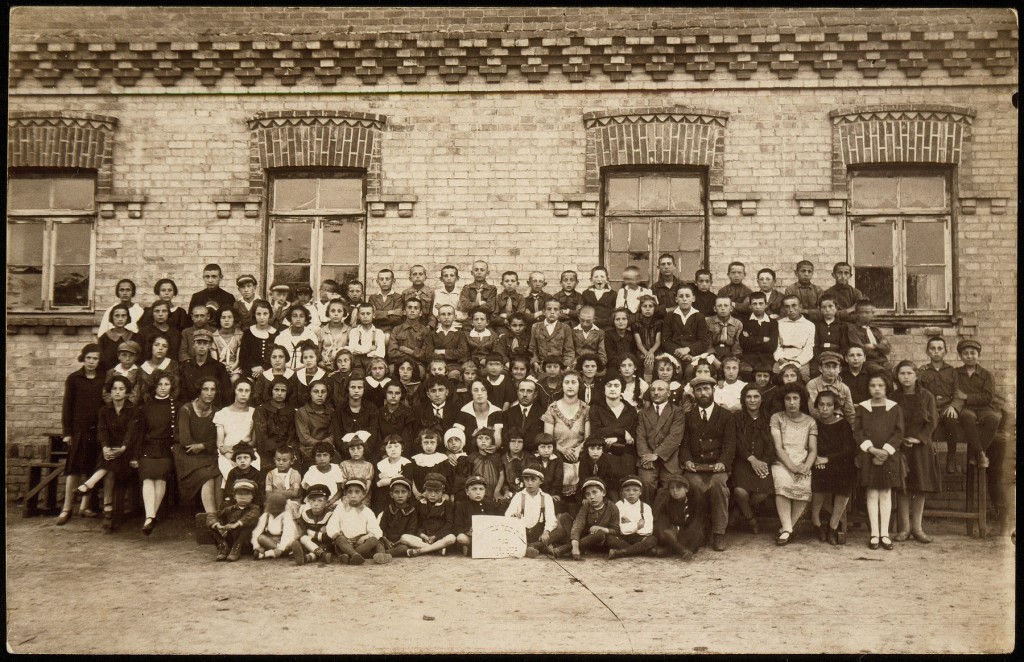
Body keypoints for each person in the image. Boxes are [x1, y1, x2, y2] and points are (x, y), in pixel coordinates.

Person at [680, 375, 735, 552]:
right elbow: (685, 444)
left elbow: (730, 444)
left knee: (718, 485)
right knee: (694, 486)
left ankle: (719, 532)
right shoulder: (688, 416)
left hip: (717, 466)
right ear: (694, 393)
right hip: (696, 465)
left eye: (706, 389)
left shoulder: (726, 415)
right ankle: (701, 530)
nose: (703, 393)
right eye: (698, 390)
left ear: (713, 390)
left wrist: (722, 462)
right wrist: (687, 460)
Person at [80, 374, 139, 533]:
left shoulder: (133, 410)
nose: (118, 392)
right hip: (110, 453)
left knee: (110, 467)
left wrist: (123, 448)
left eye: (121, 389)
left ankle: (91, 486)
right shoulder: (104, 411)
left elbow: (131, 433)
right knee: (110, 471)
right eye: (114, 389)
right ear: (110, 392)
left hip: (127, 453)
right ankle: (107, 512)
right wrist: (105, 447)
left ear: (127, 392)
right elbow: (102, 431)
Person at [891, 361, 941, 543]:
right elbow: (890, 421)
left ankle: (918, 529)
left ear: (916, 375)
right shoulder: (893, 397)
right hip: (900, 447)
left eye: (909, 373)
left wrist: (918, 438)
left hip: (921, 447)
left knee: (920, 487)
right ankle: (904, 528)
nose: (906, 377)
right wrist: (901, 440)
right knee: (903, 488)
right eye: (902, 373)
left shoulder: (926, 396)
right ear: (897, 376)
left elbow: (933, 421)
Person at [855, 374, 905, 550]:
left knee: (885, 493)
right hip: (869, 456)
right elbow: (858, 432)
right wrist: (872, 450)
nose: (876, 389)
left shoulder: (894, 408)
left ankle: (885, 534)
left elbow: (899, 433)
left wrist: (885, 451)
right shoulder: (863, 408)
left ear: (886, 388)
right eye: (873, 385)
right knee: (871, 493)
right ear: (868, 388)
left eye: (880, 386)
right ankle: (874, 534)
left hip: (889, 457)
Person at [770, 383, 818, 546]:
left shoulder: (810, 421)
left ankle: (786, 527)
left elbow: (812, 449)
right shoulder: (776, 418)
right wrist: (791, 467)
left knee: (804, 488)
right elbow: (778, 447)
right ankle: (789, 529)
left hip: (803, 462)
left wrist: (806, 466)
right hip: (783, 462)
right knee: (782, 484)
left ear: (801, 400)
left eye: (795, 398)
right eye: (788, 398)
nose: (791, 402)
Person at [809, 391, 858, 545]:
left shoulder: (843, 424)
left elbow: (848, 449)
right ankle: (816, 521)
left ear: (834, 407)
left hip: (839, 462)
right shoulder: (814, 424)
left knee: (845, 478)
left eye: (829, 405)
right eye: (821, 405)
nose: (824, 408)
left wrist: (828, 459)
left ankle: (833, 525)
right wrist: (818, 458)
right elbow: (812, 445)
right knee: (819, 475)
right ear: (816, 407)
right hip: (819, 462)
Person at [134, 370, 179, 535]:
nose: (163, 387)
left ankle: (150, 517)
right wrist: (136, 455)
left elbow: (178, 431)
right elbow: (139, 432)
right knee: (147, 479)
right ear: (154, 386)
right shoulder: (146, 406)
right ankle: (151, 517)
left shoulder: (175, 406)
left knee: (160, 479)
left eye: (166, 384)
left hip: (166, 448)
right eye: (160, 384)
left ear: (171, 386)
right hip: (147, 447)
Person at [173, 376, 222, 518]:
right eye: (205, 389)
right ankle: (211, 517)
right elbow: (185, 440)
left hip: (206, 453)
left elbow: (217, 439)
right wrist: (204, 446)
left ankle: (220, 515)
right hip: (187, 455)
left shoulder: (217, 411)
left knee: (219, 475)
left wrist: (203, 445)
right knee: (206, 476)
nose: (209, 393)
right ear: (199, 391)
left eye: (213, 389)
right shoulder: (186, 410)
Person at [730, 383, 774, 535]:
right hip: (743, 461)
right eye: (748, 397)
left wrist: (763, 462)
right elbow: (736, 441)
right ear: (743, 399)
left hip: (763, 462)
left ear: (762, 399)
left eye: (756, 396)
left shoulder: (769, 418)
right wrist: (751, 459)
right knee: (740, 491)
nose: (752, 400)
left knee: (765, 490)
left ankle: (738, 509)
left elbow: (772, 444)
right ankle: (751, 519)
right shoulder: (736, 418)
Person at [951, 339, 999, 471]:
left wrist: (967, 397)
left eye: (973, 353)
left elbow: (988, 397)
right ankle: (981, 454)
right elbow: (956, 393)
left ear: (979, 355)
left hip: (984, 408)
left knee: (994, 419)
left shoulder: (986, 375)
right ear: (960, 356)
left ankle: (976, 454)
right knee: (967, 418)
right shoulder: (956, 373)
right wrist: (964, 399)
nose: (969, 356)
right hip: (966, 408)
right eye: (965, 353)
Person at [541, 371, 591, 501]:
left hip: (580, 455)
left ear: (579, 385)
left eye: (573, 382)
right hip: (558, 456)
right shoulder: (552, 408)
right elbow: (547, 438)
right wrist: (563, 450)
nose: (570, 386)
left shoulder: (586, 409)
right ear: (561, 385)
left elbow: (588, 438)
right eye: (566, 382)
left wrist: (578, 449)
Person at [918, 336, 962, 473]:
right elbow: (919, 393)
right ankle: (928, 460)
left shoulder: (953, 371)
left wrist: (954, 406)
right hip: (929, 407)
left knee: (951, 419)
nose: (936, 351)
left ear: (945, 352)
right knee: (925, 423)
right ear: (927, 352)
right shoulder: (922, 371)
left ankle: (951, 458)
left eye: (940, 348)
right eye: (933, 348)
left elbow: (958, 392)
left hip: (946, 406)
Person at [635, 379, 686, 500]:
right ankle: (647, 516)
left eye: (660, 389)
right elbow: (640, 436)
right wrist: (646, 456)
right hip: (648, 459)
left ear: (668, 393)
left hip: (669, 459)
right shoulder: (643, 413)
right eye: (653, 389)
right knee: (646, 483)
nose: (656, 393)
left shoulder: (677, 411)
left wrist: (657, 454)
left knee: (670, 486)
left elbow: (675, 436)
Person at [588, 374, 640, 487]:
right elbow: (596, 432)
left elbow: (632, 438)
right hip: (605, 453)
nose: (612, 388)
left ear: (622, 388)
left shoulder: (630, 410)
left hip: (626, 455)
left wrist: (616, 437)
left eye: (616, 385)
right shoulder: (596, 408)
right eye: (609, 385)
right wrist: (622, 432)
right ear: (604, 388)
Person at [550, 477, 619, 560]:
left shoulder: (612, 507)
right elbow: (578, 525)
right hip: (585, 538)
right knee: (564, 517)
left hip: (599, 541)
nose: (591, 497)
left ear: (603, 493)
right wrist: (575, 547)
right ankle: (577, 548)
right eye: (588, 494)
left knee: (600, 533)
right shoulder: (586, 506)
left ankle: (565, 548)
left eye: (594, 492)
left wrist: (601, 528)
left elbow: (616, 530)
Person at [506, 465, 564, 558]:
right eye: (526, 480)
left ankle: (535, 546)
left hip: (539, 534)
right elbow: (507, 515)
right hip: (522, 534)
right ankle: (540, 546)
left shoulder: (546, 497)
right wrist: (513, 515)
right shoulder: (518, 496)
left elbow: (551, 519)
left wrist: (546, 531)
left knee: (560, 530)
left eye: (533, 480)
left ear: (540, 481)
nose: (529, 483)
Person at [326, 479, 388, 565]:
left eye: (357, 492)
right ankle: (354, 554)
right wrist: (337, 534)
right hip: (345, 541)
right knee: (339, 540)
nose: (353, 495)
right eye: (350, 492)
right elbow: (332, 525)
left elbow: (375, 529)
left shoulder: (367, 511)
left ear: (363, 494)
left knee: (373, 540)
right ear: (345, 494)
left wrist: (366, 536)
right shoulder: (340, 509)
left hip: (361, 543)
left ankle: (351, 555)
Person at [651, 473, 707, 559]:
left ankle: (671, 550)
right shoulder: (667, 501)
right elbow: (660, 519)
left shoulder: (694, 502)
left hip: (687, 531)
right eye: (672, 488)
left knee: (697, 534)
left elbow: (697, 522)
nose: (675, 491)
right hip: (672, 531)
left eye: (678, 487)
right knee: (664, 532)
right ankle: (682, 550)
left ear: (686, 489)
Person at [213, 377, 258, 483]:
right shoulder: (222, 413)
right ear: (234, 391)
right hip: (226, 454)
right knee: (231, 476)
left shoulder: (255, 412)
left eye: (247, 391)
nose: (243, 394)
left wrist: (237, 451)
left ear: (251, 393)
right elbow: (220, 443)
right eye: (240, 390)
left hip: (248, 453)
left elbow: (253, 442)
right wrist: (229, 456)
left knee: (251, 476)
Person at [662, 284, 709, 378]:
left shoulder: (699, 317)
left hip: (692, 354)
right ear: (676, 299)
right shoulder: (670, 316)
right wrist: (678, 352)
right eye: (681, 296)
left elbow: (703, 341)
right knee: (674, 370)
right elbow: (665, 340)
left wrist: (688, 349)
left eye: (687, 296)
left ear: (693, 298)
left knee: (691, 371)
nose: (684, 299)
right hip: (675, 353)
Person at [406, 472, 457, 557]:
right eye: (429, 491)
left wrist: (436, 536)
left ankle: (421, 551)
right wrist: (422, 535)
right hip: (423, 538)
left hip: (440, 538)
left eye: (437, 491)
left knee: (452, 538)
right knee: (404, 537)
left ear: (442, 491)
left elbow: (449, 524)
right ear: (425, 490)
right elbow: (415, 523)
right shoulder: (419, 504)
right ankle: (437, 549)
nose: (433, 495)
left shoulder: (447, 504)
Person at [209, 477, 260, 562]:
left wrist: (237, 524)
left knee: (247, 526)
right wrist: (218, 525)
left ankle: (236, 549)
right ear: (235, 496)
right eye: (239, 494)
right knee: (212, 525)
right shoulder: (229, 509)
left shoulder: (255, 508)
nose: (243, 497)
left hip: (245, 542)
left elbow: (251, 517)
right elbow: (212, 515)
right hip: (231, 539)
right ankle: (224, 548)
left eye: (247, 494)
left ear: (252, 497)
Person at [606, 475, 657, 559]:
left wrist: (629, 523)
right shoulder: (619, 505)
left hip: (639, 538)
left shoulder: (646, 507)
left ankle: (623, 552)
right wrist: (637, 525)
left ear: (640, 492)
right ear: (622, 492)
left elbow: (648, 530)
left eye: (635, 490)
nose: (631, 493)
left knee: (652, 539)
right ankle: (640, 550)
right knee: (609, 539)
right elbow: (621, 529)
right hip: (623, 538)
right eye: (627, 490)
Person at [179, 329, 232, 407]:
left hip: (213, 408)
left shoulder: (219, 367)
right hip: (191, 408)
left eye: (205, 343)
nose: (202, 346)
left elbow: (226, 393)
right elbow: (182, 392)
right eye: (199, 343)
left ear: (210, 345)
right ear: (193, 344)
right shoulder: (186, 366)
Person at [333, 376, 380, 461]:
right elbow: (337, 436)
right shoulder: (340, 410)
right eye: (353, 387)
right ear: (348, 388)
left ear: (364, 389)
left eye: (360, 387)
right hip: (345, 455)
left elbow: (373, 435)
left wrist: (364, 453)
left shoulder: (372, 408)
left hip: (367, 455)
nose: (356, 390)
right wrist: (349, 453)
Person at [252, 375, 298, 459]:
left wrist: (287, 452)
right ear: (271, 391)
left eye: (283, 390)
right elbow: (262, 438)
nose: (279, 393)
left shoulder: (292, 412)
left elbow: (292, 436)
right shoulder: (261, 410)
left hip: (286, 452)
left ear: (287, 392)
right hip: (267, 451)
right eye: (276, 389)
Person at [454, 379, 505, 452]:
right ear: (471, 393)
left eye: (483, 390)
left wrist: (495, 447)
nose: (479, 393)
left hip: (492, 453)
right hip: (470, 453)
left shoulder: (496, 411)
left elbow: (498, 436)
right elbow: (457, 434)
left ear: (488, 393)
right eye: (475, 390)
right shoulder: (464, 411)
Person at [806, 351, 857, 424]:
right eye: (827, 367)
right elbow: (814, 411)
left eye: (835, 367)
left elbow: (850, 414)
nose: (831, 371)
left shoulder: (844, 388)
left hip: (839, 423)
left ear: (839, 369)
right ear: (820, 368)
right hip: (819, 424)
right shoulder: (813, 385)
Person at [452, 474, 497, 556]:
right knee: (460, 538)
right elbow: (457, 527)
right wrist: (468, 531)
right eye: (474, 489)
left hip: (486, 535)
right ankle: (477, 547)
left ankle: (474, 548)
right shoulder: (462, 505)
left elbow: (493, 521)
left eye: (481, 489)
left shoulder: (489, 504)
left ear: (485, 491)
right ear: (467, 492)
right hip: (470, 537)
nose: (478, 492)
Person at [773, 295, 815, 381]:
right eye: (787, 307)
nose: (791, 309)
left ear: (800, 307)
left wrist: (797, 362)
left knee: (803, 377)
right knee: (776, 378)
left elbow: (808, 349)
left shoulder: (809, 325)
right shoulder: (778, 323)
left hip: (801, 360)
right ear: (784, 309)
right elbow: (776, 345)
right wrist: (781, 360)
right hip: (782, 358)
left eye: (794, 305)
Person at [375, 476, 419, 558]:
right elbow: (382, 527)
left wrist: (399, 542)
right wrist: (386, 540)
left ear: (409, 494)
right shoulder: (388, 509)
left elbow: (411, 531)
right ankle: (382, 554)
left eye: (403, 492)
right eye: (396, 492)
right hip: (386, 540)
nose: (400, 495)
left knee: (404, 548)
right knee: (378, 543)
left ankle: (383, 554)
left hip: (401, 542)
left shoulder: (412, 511)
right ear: (391, 495)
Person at [292, 484, 336, 565]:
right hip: (310, 543)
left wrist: (312, 533)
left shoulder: (330, 515)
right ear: (308, 500)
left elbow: (330, 535)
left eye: (320, 500)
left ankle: (307, 558)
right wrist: (309, 534)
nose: (316, 504)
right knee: (303, 539)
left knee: (325, 546)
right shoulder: (305, 514)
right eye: (313, 500)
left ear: (326, 502)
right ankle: (322, 555)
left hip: (325, 544)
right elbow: (303, 532)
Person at [739, 291, 778, 381]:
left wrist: (752, 340)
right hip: (749, 359)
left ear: (766, 305)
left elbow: (772, 346)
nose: (758, 307)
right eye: (754, 304)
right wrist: (762, 339)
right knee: (747, 374)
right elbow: (744, 344)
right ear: (750, 306)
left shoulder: (773, 323)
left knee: (771, 376)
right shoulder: (745, 321)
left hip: (767, 359)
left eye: (761, 303)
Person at [529, 299, 575, 374]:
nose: (552, 312)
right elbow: (532, 349)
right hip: (541, 366)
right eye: (549, 309)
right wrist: (535, 362)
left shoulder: (565, 328)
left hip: (559, 367)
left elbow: (569, 351)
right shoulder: (536, 327)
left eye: (556, 309)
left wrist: (566, 366)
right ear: (544, 312)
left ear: (560, 312)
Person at [239, 301, 279, 381]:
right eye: (258, 314)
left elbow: (276, 356)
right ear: (254, 315)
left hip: (270, 371)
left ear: (270, 314)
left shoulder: (275, 334)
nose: (262, 317)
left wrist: (264, 368)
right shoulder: (248, 333)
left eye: (265, 314)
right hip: (251, 371)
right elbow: (244, 356)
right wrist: (253, 367)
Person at [251, 492, 298, 560]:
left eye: (275, 506)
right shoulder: (265, 516)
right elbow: (256, 532)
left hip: (285, 541)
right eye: (269, 505)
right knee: (261, 538)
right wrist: (256, 546)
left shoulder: (286, 516)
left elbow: (287, 535)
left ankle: (266, 554)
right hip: (270, 541)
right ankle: (284, 553)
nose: (271, 508)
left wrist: (281, 548)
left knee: (293, 543)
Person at [503, 377, 545, 452]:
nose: (525, 395)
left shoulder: (542, 413)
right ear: (517, 392)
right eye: (522, 391)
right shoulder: (508, 414)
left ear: (535, 394)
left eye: (529, 391)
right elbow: (505, 440)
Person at [388, 298, 431, 369]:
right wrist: (415, 353)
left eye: (416, 308)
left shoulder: (425, 331)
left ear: (420, 313)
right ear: (404, 312)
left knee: (420, 371)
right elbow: (392, 353)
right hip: (399, 363)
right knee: (391, 370)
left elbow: (426, 355)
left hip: (417, 364)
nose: (412, 310)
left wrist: (408, 351)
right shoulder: (396, 329)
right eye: (409, 307)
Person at [849, 299, 891, 373]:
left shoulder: (876, 330)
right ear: (856, 314)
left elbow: (887, 348)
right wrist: (880, 347)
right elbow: (862, 350)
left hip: (882, 360)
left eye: (867, 312)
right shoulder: (853, 331)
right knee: (881, 372)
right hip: (868, 362)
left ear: (872, 314)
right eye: (861, 312)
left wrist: (874, 346)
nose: (864, 315)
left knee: (896, 370)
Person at [812, 294, 855, 367]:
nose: (827, 310)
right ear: (820, 309)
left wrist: (839, 357)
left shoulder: (842, 326)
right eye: (824, 307)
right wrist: (819, 358)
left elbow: (844, 345)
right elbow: (815, 345)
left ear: (836, 308)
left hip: (838, 356)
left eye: (830, 306)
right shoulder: (816, 326)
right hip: (820, 357)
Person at [301, 440, 345, 508]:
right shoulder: (312, 470)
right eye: (318, 455)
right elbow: (308, 489)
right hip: (314, 502)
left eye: (325, 455)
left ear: (331, 457)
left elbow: (340, 491)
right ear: (314, 457)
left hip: (333, 502)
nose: (322, 458)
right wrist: (318, 501)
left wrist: (330, 502)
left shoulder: (336, 469)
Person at [375, 434, 413, 512]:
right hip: (384, 497)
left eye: (396, 446)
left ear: (402, 448)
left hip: (401, 496)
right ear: (385, 449)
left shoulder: (407, 463)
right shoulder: (381, 464)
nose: (393, 449)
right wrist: (398, 477)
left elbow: (406, 481)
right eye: (389, 447)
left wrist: (387, 480)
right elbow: (379, 483)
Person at [275, 304, 319, 371]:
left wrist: (299, 369)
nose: (298, 319)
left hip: (305, 370)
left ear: (305, 319)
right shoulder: (282, 335)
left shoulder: (311, 335)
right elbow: (277, 356)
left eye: (301, 316)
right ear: (290, 318)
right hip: (284, 370)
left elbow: (313, 358)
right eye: (294, 316)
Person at [705, 295, 743, 373]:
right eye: (719, 306)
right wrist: (714, 360)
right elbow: (707, 343)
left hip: (731, 354)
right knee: (708, 369)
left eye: (726, 305)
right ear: (715, 309)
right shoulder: (708, 322)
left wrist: (732, 360)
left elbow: (737, 345)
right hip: (713, 354)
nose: (723, 308)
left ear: (731, 308)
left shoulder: (738, 324)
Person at [138, 300, 182, 365]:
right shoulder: (143, 332)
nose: (160, 314)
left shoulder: (176, 333)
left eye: (164, 311)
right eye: (157, 311)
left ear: (168, 313)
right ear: (152, 313)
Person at [97, 303, 137, 373]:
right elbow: (100, 363)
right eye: (117, 316)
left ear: (127, 317)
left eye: (123, 316)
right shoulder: (104, 339)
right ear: (112, 317)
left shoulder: (136, 337)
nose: (120, 319)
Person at [347, 302, 386, 373]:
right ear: (358, 316)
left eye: (368, 313)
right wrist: (370, 349)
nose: (365, 316)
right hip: (357, 363)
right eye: (362, 314)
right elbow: (352, 349)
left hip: (374, 363)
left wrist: (361, 352)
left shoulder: (379, 332)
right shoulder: (354, 331)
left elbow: (380, 353)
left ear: (373, 315)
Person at [264, 446, 302, 518]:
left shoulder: (294, 474)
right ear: (274, 459)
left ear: (292, 461)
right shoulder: (270, 474)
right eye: (278, 460)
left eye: (284, 460)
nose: (281, 463)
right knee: (268, 512)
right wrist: (287, 491)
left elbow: (294, 493)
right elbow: (268, 494)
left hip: (291, 501)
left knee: (288, 510)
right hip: (274, 501)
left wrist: (275, 491)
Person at [577, 437, 618, 503]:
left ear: (603, 450)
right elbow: (583, 479)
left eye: (599, 449)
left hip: (604, 487)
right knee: (585, 501)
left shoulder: (606, 460)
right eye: (592, 449)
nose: (595, 452)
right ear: (587, 450)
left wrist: (600, 491)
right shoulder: (584, 460)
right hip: (587, 486)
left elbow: (609, 479)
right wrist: (585, 496)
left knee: (614, 499)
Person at [222, 442, 264, 506]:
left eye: (246, 457)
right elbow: (229, 491)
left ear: (251, 459)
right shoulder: (233, 473)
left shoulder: (257, 474)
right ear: (235, 460)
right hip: (236, 503)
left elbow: (260, 494)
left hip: (252, 504)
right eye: (239, 458)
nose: (242, 461)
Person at [431, 304, 470, 372]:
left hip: (454, 365)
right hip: (436, 364)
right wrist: (452, 353)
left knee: (454, 374)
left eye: (449, 314)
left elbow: (462, 352)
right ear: (438, 318)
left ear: (454, 317)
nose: (446, 317)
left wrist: (442, 351)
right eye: (443, 314)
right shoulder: (432, 334)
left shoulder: (460, 334)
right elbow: (428, 353)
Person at [102, 340, 142, 406]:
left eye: (131, 355)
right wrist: (114, 405)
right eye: (124, 355)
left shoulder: (139, 372)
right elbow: (106, 392)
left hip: (133, 409)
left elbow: (138, 394)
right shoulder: (111, 372)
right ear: (118, 356)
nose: (127, 359)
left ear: (136, 357)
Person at [339, 432, 375, 504]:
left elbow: (368, 484)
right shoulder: (344, 464)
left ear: (364, 449)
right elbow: (343, 484)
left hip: (364, 496)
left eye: (359, 448)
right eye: (352, 449)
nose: (356, 452)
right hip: (348, 495)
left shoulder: (368, 465)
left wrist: (361, 497)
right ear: (348, 450)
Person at [632, 295, 662, 381]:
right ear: (640, 308)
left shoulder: (658, 323)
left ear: (654, 308)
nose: (647, 309)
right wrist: (647, 353)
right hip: (642, 351)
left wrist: (651, 352)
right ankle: (646, 384)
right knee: (646, 362)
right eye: (644, 306)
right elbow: (639, 344)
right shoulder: (636, 324)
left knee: (658, 362)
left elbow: (658, 342)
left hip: (655, 351)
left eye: (650, 306)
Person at [317, 299, 352, 373]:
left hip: (342, 368)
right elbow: (318, 353)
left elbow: (351, 352)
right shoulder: (321, 331)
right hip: (324, 367)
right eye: (333, 311)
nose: (336, 314)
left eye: (339, 311)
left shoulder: (349, 331)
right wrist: (321, 364)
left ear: (344, 313)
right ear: (328, 313)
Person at [368, 268, 405, 337]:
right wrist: (389, 312)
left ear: (393, 281)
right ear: (377, 281)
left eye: (387, 279)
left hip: (392, 331)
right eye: (381, 279)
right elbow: (370, 316)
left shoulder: (398, 297)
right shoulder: (373, 298)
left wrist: (378, 315)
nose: (384, 282)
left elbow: (397, 318)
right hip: (374, 330)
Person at [212, 307, 244, 383]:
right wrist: (223, 368)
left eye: (230, 317)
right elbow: (215, 360)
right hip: (219, 367)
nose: (226, 320)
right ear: (219, 319)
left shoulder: (239, 335)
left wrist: (232, 368)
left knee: (234, 379)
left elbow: (238, 359)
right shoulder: (214, 336)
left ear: (234, 319)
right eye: (223, 317)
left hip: (235, 367)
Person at [433, 265, 465, 330]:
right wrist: (454, 311)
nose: (449, 278)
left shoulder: (461, 294)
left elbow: (463, 316)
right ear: (441, 279)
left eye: (452, 275)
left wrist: (442, 308)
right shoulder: (437, 293)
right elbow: (435, 312)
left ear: (457, 278)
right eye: (445, 276)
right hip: (440, 327)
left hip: (457, 326)